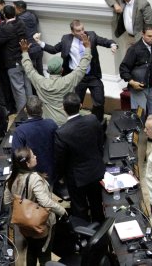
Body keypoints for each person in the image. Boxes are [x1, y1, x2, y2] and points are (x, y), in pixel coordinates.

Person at [36, 19, 117, 122]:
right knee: (75, 104)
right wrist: (39, 42)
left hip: (93, 76)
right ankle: (76, 124)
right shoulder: (66, 39)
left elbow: (105, 41)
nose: (82, 32)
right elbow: (54, 49)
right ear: (72, 32)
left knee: (99, 102)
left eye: (82, 29)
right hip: (77, 77)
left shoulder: (91, 35)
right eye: (78, 30)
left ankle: (97, 123)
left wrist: (113, 45)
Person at [3, 147, 67, 266]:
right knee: (44, 254)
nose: (36, 156)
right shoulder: (34, 179)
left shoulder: (10, 178)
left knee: (31, 249)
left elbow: (7, 201)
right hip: (40, 224)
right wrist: (62, 211)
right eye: (33, 156)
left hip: (23, 224)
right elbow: (45, 202)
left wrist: (23, 205)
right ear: (27, 163)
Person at [54, 93, 105, 222]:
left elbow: (61, 159)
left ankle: (83, 234)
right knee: (97, 203)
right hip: (96, 171)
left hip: (77, 178)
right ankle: (100, 228)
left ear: (63, 108)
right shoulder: (92, 119)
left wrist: (59, 176)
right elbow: (101, 142)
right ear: (81, 105)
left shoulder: (62, 132)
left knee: (79, 207)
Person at [20, 35, 91, 126]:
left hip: (48, 123)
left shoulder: (40, 82)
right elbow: (82, 67)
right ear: (62, 70)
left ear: (49, 71)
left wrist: (25, 52)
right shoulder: (68, 80)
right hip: (67, 122)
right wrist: (88, 48)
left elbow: (29, 69)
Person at [119, 24, 152, 116]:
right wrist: (132, 82)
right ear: (142, 34)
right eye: (149, 36)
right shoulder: (134, 49)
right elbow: (123, 68)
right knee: (139, 114)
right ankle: (139, 131)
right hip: (138, 87)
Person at [0, 5, 31, 113]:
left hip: (13, 63)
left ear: (4, 15)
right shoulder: (21, 23)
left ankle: (22, 116)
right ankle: (33, 110)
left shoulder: (7, 28)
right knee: (27, 87)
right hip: (25, 59)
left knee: (19, 90)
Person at [12, 96, 58, 184]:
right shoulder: (51, 124)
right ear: (42, 109)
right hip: (53, 171)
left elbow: (16, 156)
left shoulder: (20, 131)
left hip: (32, 175)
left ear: (25, 110)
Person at [15, 0, 44, 75]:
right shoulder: (33, 15)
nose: (13, 10)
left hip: (29, 48)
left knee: (32, 73)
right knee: (40, 71)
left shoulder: (19, 19)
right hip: (38, 46)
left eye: (14, 8)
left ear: (20, 9)